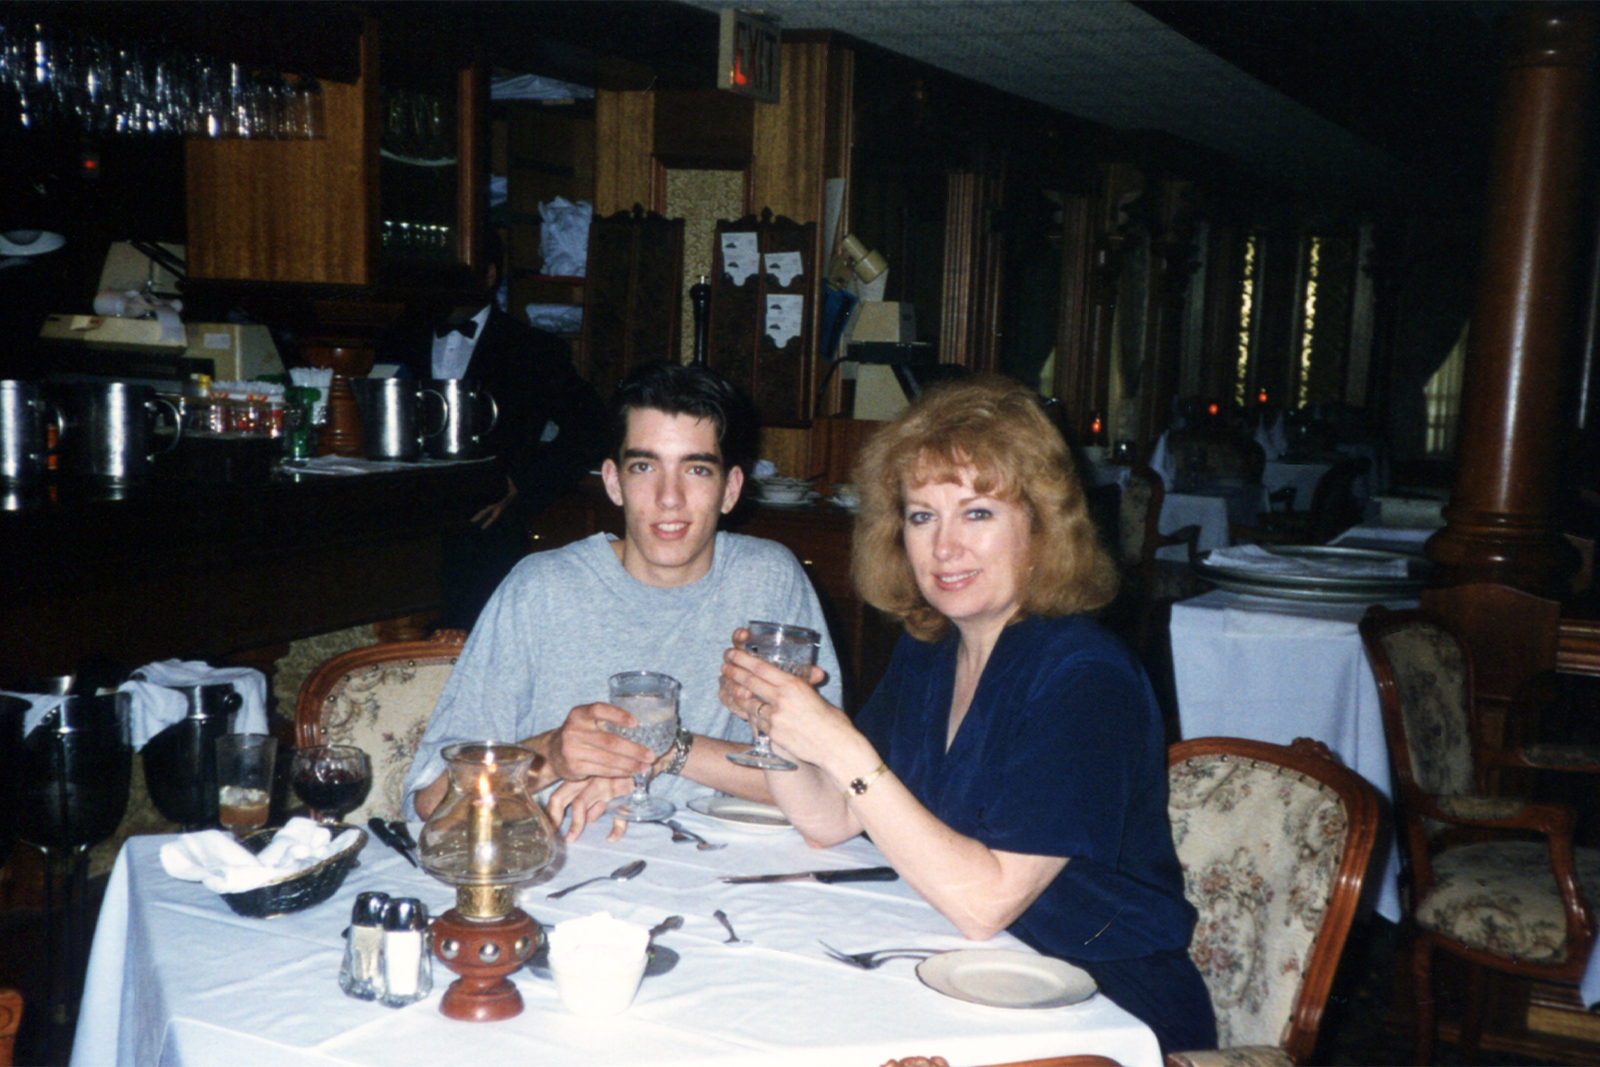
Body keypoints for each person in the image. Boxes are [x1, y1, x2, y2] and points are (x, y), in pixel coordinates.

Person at [718, 377, 1215, 1055]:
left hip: (1099, 1004)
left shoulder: (1084, 677)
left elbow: (988, 902)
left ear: (1039, 527)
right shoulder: (932, 649)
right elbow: (830, 819)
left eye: (977, 513)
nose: (943, 546)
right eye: (922, 516)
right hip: (965, 967)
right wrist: (773, 721)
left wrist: (841, 747)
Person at [402, 361, 843, 841]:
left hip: (718, 870)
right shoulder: (540, 589)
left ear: (730, 489)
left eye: (696, 469)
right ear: (613, 482)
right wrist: (551, 755)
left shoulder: (770, 580)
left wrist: (660, 753)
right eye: (644, 466)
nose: (668, 497)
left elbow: (835, 788)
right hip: (562, 868)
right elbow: (431, 801)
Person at [383, 229, 609, 630]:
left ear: (487, 276)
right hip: (405, 532)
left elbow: (593, 429)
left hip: (486, 538)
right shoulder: (396, 337)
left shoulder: (533, 348)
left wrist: (521, 482)